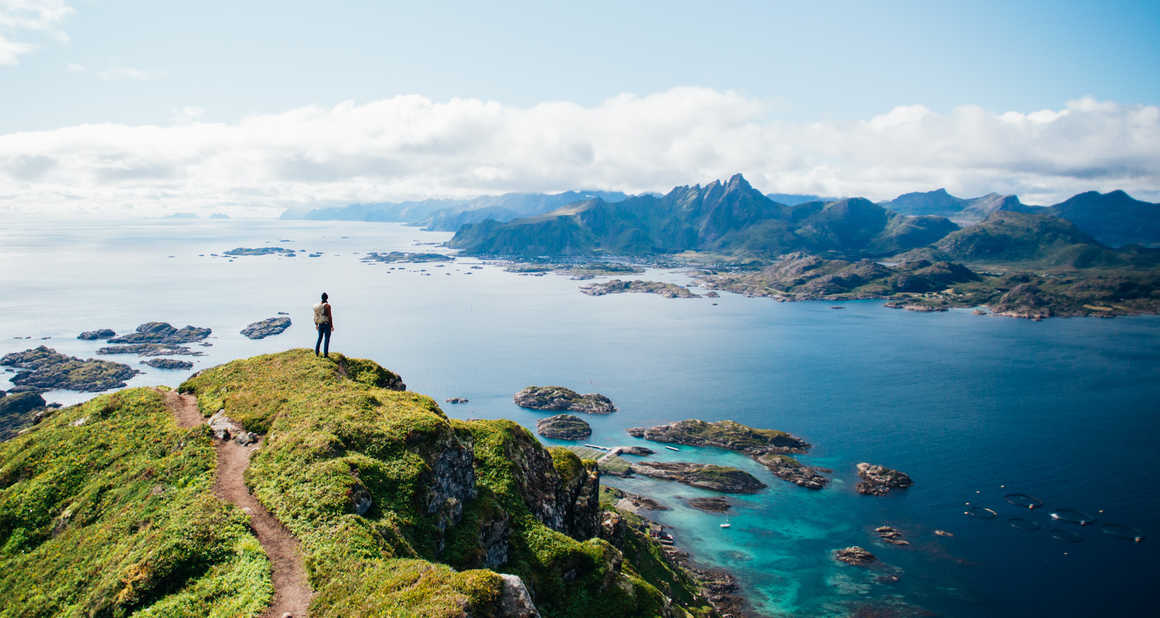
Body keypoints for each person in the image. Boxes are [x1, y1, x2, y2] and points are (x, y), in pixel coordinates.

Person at [313, 292, 334, 357]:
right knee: (327, 339)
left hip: (320, 324)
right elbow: (329, 316)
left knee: (319, 338)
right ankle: (325, 354)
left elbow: (316, 315)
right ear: (327, 298)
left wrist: (316, 324)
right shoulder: (327, 306)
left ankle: (316, 352)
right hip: (326, 324)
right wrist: (331, 326)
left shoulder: (318, 306)